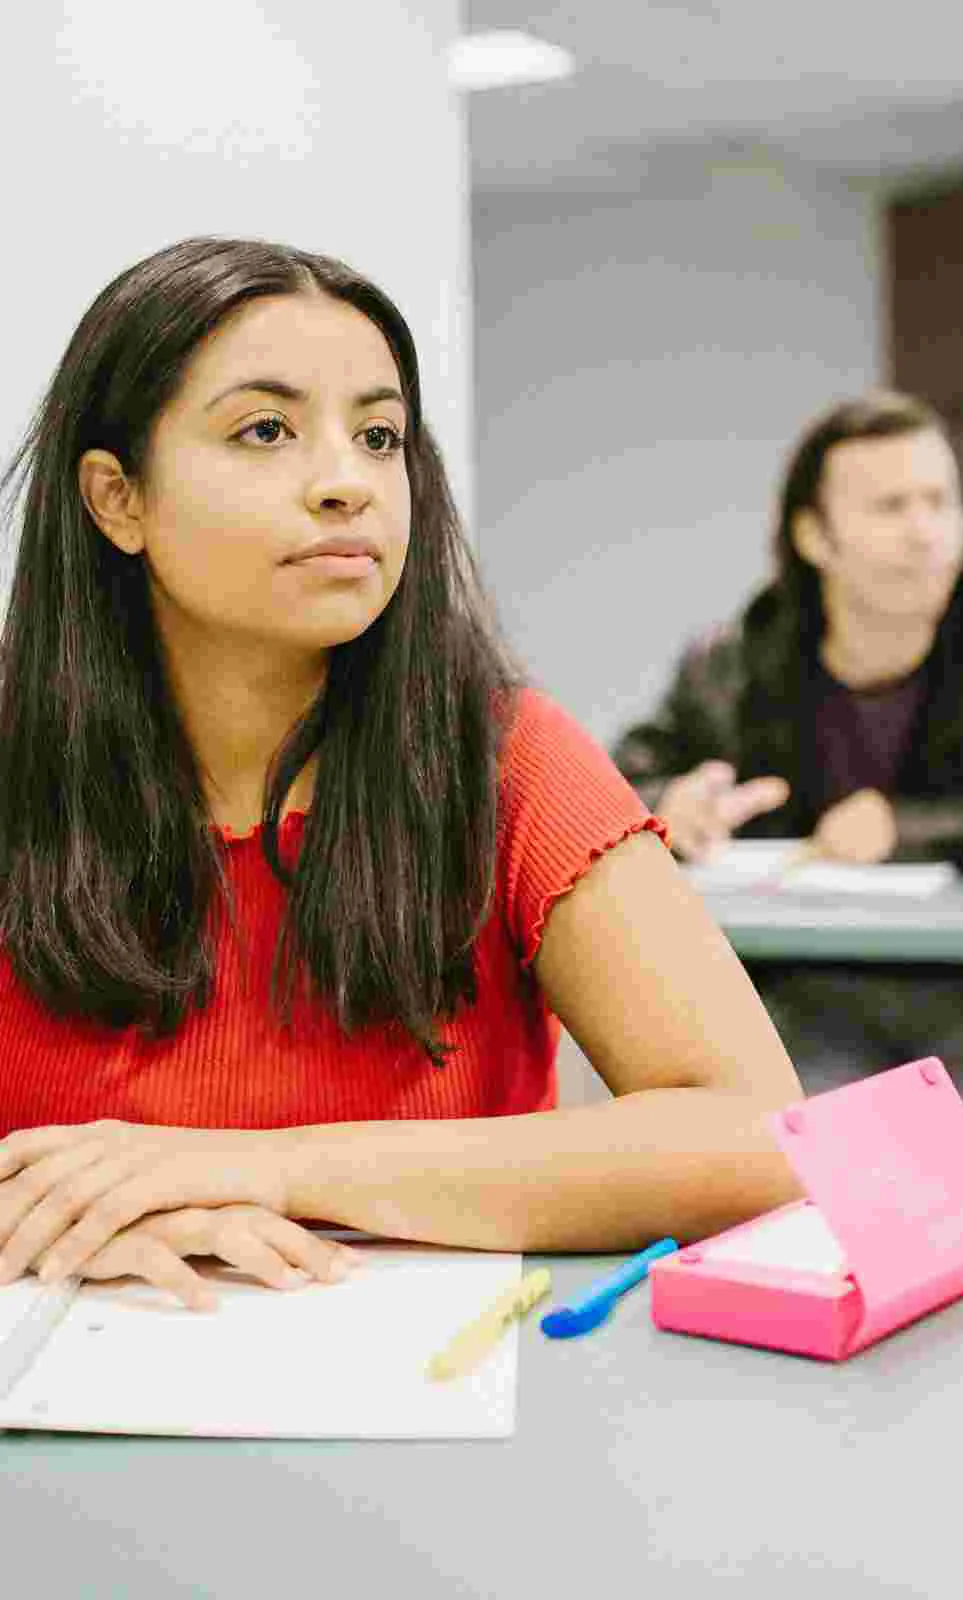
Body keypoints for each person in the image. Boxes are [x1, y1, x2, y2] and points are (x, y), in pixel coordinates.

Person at [0, 237, 803, 1311]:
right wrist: (70, 1214)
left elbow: (757, 1137)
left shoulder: (504, 755)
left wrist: (267, 1172)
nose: (346, 484)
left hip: (430, 1400)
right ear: (118, 499)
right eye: (266, 430)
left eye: (379, 436)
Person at [613, 391, 963, 1227]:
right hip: (795, 996)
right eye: (890, 506)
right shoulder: (727, 666)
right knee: (788, 1202)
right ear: (814, 537)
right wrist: (669, 810)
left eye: (940, 501)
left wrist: (908, 832)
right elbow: (611, 795)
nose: (925, 531)